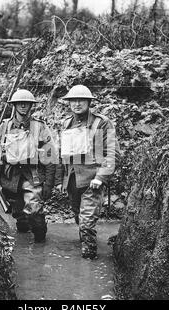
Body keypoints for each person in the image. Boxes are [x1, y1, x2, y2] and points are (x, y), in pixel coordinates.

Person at [55, 85, 120, 259]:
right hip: (73, 181)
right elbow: (61, 154)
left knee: (87, 219)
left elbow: (112, 153)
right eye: (73, 101)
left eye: (81, 100)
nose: (77, 104)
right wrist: (60, 180)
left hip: (93, 180)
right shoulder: (66, 124)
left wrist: (101, 177)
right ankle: (85, 238)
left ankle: (89, 256)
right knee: (78, 215)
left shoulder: (102, 123)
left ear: (89, 102)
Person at [0, 89, 57, 243]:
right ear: (14, 105)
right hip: (10, 177)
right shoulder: (5, 126)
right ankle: (23, 238)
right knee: (19, 215)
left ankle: (40, 241)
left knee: (34, 210)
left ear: (31, 106)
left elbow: (50, 154)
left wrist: (49, 183)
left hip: (31, 175)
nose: (23, 106)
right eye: (19, 103)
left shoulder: (39, 126)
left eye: (26, 103)